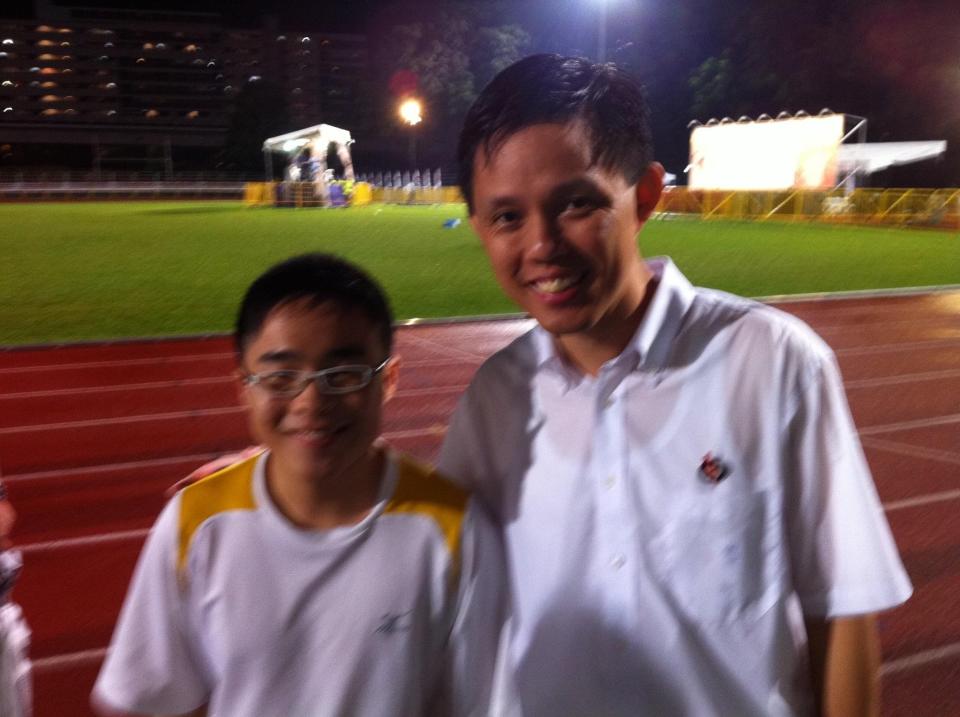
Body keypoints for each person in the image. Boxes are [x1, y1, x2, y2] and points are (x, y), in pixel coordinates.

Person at [436, 53, 912, 716]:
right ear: (480, 226)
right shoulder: (495, 398)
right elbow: (432, 582)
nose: (541, 245)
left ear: (647, 195)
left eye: (575, 203)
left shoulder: (773, 362)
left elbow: (844, 610)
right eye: (507, 217)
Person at [93, 253, 505, 717]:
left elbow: (481, 702)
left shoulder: (452, 528)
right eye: (281, 377)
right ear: (243, 386)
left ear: (388, 379)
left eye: (343, 375)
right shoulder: (198, 522)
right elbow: (141, 698)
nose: (311, 402)